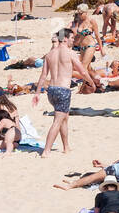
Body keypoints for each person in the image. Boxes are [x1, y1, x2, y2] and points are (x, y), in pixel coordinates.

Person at [35, 29, 98, 159]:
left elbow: (42, 76)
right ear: (64, 39)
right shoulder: (70, 53)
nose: (73, 41)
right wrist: (91, 82)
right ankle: (46, 151)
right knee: (58, 120)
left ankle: (66, 147)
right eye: (71, 38)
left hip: (51, 90)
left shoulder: (49, 54)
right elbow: (83, 71)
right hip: (63, 90)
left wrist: (37, 93)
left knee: (64, 117)